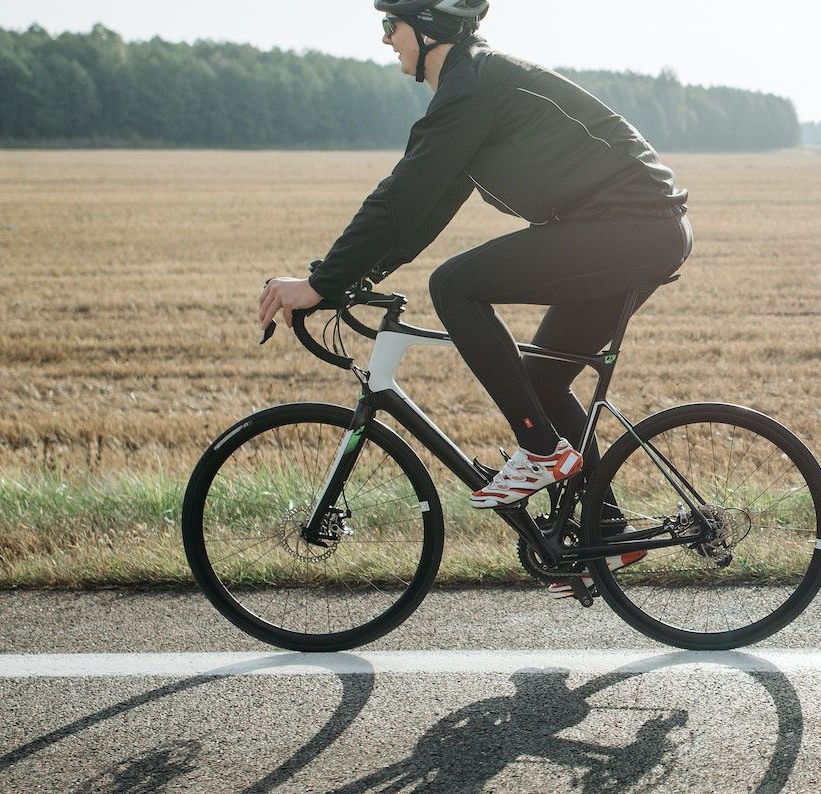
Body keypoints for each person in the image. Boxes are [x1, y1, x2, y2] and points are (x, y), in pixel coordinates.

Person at [256, 0, 692, 522]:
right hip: (637, 229)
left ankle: (540, 450)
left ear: (428, 28)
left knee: (452, 285)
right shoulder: (473, 84)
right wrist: (354, 278)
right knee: (543, 378)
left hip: (629, 227)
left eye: (391, 25)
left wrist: (322, 281)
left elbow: (400, 195)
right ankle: (606, 532)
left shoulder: (473, 87)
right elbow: (425, 209)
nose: (385, 39)